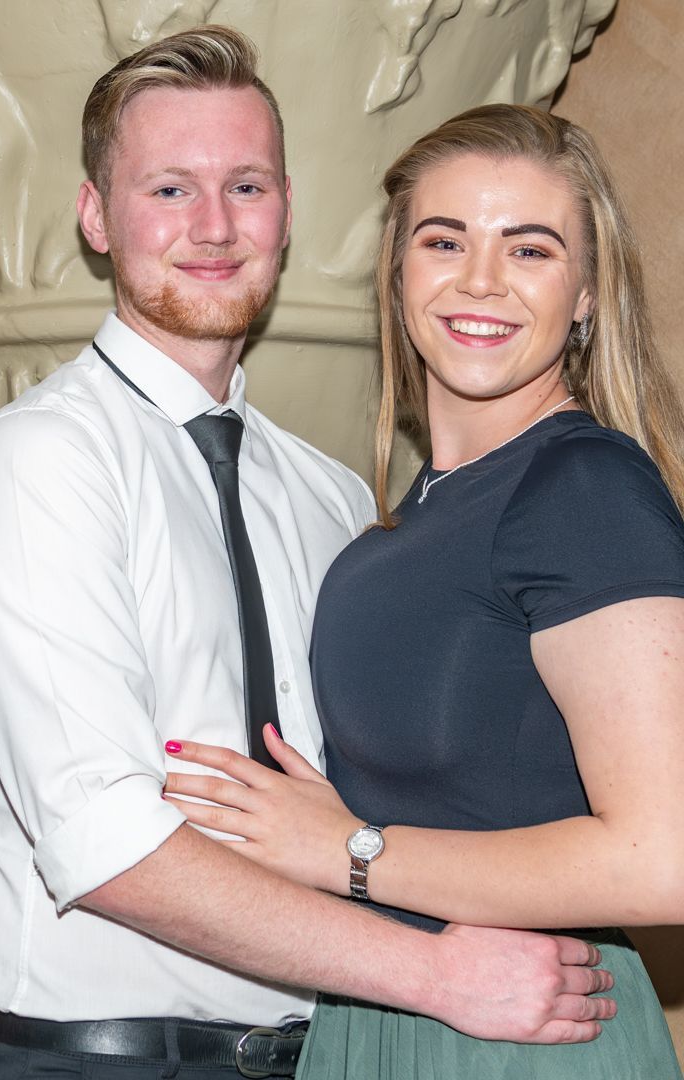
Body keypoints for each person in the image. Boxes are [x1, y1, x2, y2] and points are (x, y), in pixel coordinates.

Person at [0, 31, 615, 1080]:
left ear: (286, 211)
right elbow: (100, 841)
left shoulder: (335, 496)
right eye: (169, 188)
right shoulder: (37, 459)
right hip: (93, 1060)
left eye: (246, 186)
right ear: (95, 216)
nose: (214, 226)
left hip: (330, 1053)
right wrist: (436, 975)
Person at [163, 104, 684, 1079]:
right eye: (444, 241)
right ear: (398, 271)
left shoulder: (583, 486)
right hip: (387, 1010)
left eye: (529, 250)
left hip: (526, 1034)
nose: (480, 280)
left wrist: (348, 851)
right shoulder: (411, 513)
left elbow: (664, 859)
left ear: (585, 293)